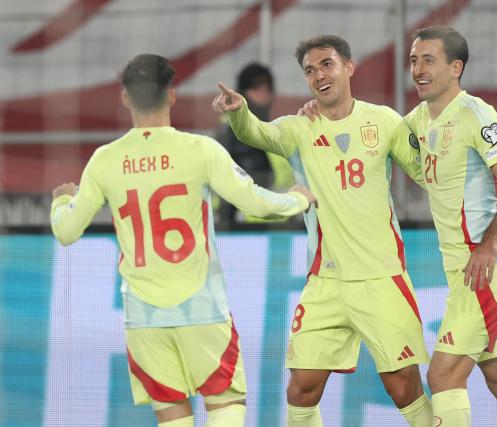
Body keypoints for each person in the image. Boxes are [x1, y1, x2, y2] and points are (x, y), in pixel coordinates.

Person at [50, 54, 316, 427]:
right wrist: (299, 198)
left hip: (143, 317)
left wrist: (62, 200)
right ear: (172, 95)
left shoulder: (104, 160)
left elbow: (66, 231)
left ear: (125, 97)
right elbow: (255, 200)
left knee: (172, 414)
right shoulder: (199, 150)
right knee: (225, 403)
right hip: (202, 309)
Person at [213, 35, 432, 427]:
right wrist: (239, 112)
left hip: (381, 275)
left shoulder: (383, 121)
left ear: (349, 67)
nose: (319, 76)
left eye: (327, 65)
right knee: (302, 388)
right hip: (325, 280)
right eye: (310, 71)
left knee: (403, 386)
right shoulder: (299, 127)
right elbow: (257, 134)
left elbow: (423, 170)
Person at [402, 26, 497, 426]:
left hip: (484, 268)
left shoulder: (475, 114)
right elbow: (373, 138)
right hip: (463, 269)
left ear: (456, 67)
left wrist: (488, 244)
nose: (418, 69)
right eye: (414, 60)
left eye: (428, 60)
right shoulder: (415, 121)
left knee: (443, 374)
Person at [215, 62, 294, 224]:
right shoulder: (230, 134)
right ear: (242, 92)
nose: (264, 94)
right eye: (256, 88)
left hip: (280, 224)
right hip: (241, 228)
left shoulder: (274, 129)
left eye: (268, 89)